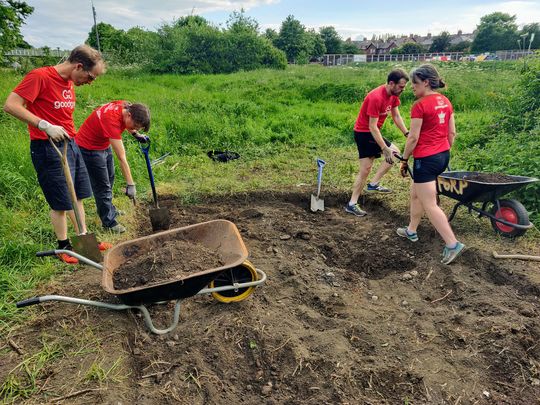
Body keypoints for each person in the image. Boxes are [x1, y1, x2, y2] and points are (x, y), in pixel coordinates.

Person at [3, 45, 108, 264]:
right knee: (60, 200)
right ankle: (64, 246)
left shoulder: (69, 82)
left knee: (77, 194)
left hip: (71, 143)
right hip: (48, 146)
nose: (90, 83)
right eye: (90, 77)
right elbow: (11, 105)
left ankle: (83, 239)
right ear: (78, 66)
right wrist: (43, 124)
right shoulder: (40, 76)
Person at [396, 64, 465, 265]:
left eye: (415, 83)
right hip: (443, 155)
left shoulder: (420, 105)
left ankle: (452, 244)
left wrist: (404, 159)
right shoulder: (445, 101)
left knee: (429, 203)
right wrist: (443, 150)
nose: (412, 87)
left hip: (425, 159)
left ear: (426, 82)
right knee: (416, 193)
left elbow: (413, 137)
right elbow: (452, 133)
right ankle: (411, 230)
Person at [76, 101, 151, 233]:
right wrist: (130, 184)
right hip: (89, 147)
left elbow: (128, 124)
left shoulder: (125, 106)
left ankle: (109, 209)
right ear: (128, 115)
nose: (135, 128)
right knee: (102, 186)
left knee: (109, 178)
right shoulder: (111, 120)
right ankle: (108, 222)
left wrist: (136, 135)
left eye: (138, 128)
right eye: (135, 126)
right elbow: (122, 158)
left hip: (103, 143)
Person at [345, 69, 410, 217]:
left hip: (373, 132)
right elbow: (372, 126)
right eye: (401, 86)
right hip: (364, 133)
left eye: (404, 87)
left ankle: (373, 185)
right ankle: (352, 203)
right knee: (366, 169)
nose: (402, 90)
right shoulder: (376, 97)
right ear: (391, 83)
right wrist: (384, 148)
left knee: (394, 152)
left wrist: (406, 133)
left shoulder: (393, 95)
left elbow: (396, 115)